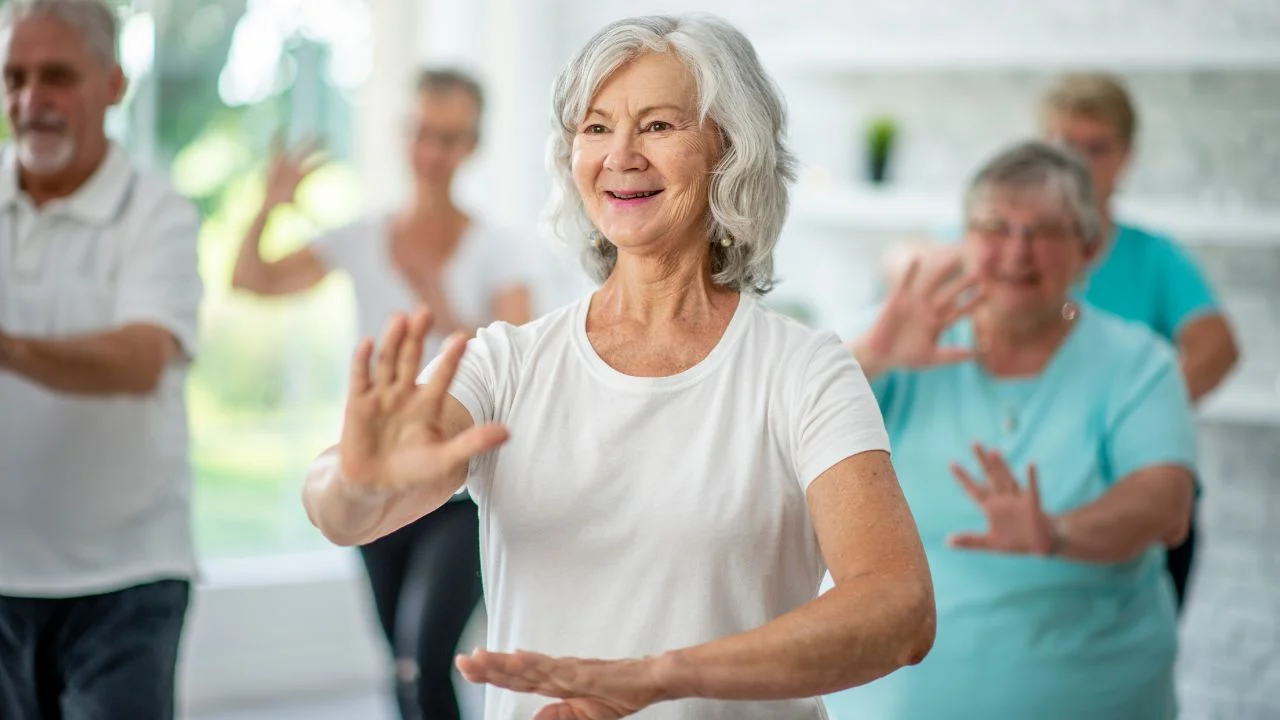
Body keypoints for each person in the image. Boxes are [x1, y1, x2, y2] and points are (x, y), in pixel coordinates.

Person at [302, 13, 936, 720]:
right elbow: (339, 509)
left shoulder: (804, 369)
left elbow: (899, 609)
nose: (620, 155)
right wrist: (355, 482)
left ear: (730, 147)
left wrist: (659, 677)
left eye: (659, 126)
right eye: (596, 128)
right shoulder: (507, 362)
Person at [825, 140, 1197, 720]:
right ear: (963, 238)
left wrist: (1054, 532)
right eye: (995, 227)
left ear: (1089, 249)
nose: (1017, 251)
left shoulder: (1138, 362)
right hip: (896, 692)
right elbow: (776, 424)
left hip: (1096, 692)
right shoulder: (898, 339)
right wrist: (874, 353)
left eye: (1045, 231)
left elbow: (1165, 504)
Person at [231, 68, 532, 720]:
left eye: (449, 139)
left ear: (472, 146)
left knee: (426, 659)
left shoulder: (498, 250)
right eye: (423, 133)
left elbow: (523, 361)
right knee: (400, 668)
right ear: (403, 136)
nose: (432, 154)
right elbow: (250, 279)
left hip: (461, 492)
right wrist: (270, 203)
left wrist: (435, 292)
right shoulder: (361, 237)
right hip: (377, 479)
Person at [0, 1, 203, 718]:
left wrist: (8, 347)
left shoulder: (159, 213)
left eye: (55, 76)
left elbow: (142, 357)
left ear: (113, 83)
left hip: (127, 580)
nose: (30, 101)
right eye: (14, 78)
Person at [1038, 73, 1237, 609]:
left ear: (1125, 157)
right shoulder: (1007, 252)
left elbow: (1217, 347)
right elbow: (913, 263)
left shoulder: (1154, 258)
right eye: (1063, 146)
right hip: (1039, 502)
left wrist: (1146, 413)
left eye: (1096, 148)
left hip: (1137, 502)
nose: (1078, 163)